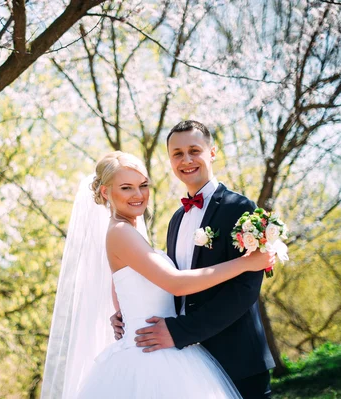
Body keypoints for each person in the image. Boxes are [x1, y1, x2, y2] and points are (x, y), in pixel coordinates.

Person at [40, 150, 275, 399]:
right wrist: (246, 263)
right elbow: (175, 283)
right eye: (127, 188)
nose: (139, 195)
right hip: (151, 356)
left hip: (162, 344)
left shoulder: (129, 231)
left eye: (143, 185)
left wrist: (124, 316)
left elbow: (121, 292)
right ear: (106, 192)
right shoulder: (121, 232)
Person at [111, 120, 276, 399]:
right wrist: (126, 311)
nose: (186, 160)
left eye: (194, 150)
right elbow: (172, 283)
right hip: (186, 361)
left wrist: (182, 331)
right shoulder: (176, 219)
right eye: (177, 154)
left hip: (237, 357)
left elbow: (245, 290)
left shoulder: (240, 208)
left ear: (212, 152)